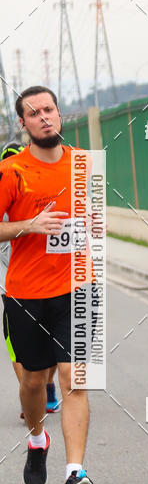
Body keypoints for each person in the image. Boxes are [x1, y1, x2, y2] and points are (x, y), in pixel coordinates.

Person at [0, 87, 96, 484]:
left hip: (78, 286)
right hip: (25, 291)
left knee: (75, 378)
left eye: (49, 110)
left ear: (60, 114)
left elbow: (92, 218)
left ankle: (75, 473)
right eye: (34, 113)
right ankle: (38, 438)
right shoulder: (12, 171)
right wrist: (29, 225)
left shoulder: (83, 163)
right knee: (34, 381)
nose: (44, 117)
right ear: (23, 124)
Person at [1, 141, 60, 420]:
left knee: (44, 347)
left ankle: (42, 390)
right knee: (21, 348)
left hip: (55, 285)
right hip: (20, 288)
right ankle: (36, 393)